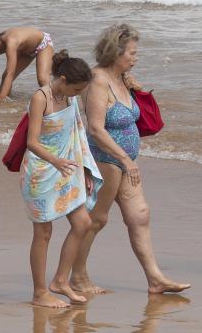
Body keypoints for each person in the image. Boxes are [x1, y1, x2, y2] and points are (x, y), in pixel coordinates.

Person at [70, 24, 190, 294]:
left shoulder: (121, 79)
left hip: (125, 162)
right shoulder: (98, 80)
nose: (136, 58)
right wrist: (126, 159)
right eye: (132, 53)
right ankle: (77, 277)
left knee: (140, 215)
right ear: (115, 52)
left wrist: (135, 88)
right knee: (96, 219)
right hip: (107, 159)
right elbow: (96, 128)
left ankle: (155, 278)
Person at [21, 51, 102, 308]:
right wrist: (55, 161)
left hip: (66, 168)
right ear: (63, 79)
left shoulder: (69, 98)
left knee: (83, 223)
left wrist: (86, 169)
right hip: (40, 172)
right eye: (76, 87)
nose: (78, 93)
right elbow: (31, 141)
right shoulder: (40, 97)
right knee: (43, 232)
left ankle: (60, 281)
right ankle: (40, 292)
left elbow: (77, 134)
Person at [0, 26, 54, 107]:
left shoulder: (11, 42)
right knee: (4, 77)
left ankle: (55, 103)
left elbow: (10, 73)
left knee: (42, 80)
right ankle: (8, 103)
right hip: (25, 51)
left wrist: (0, 99)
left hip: (42, 44)